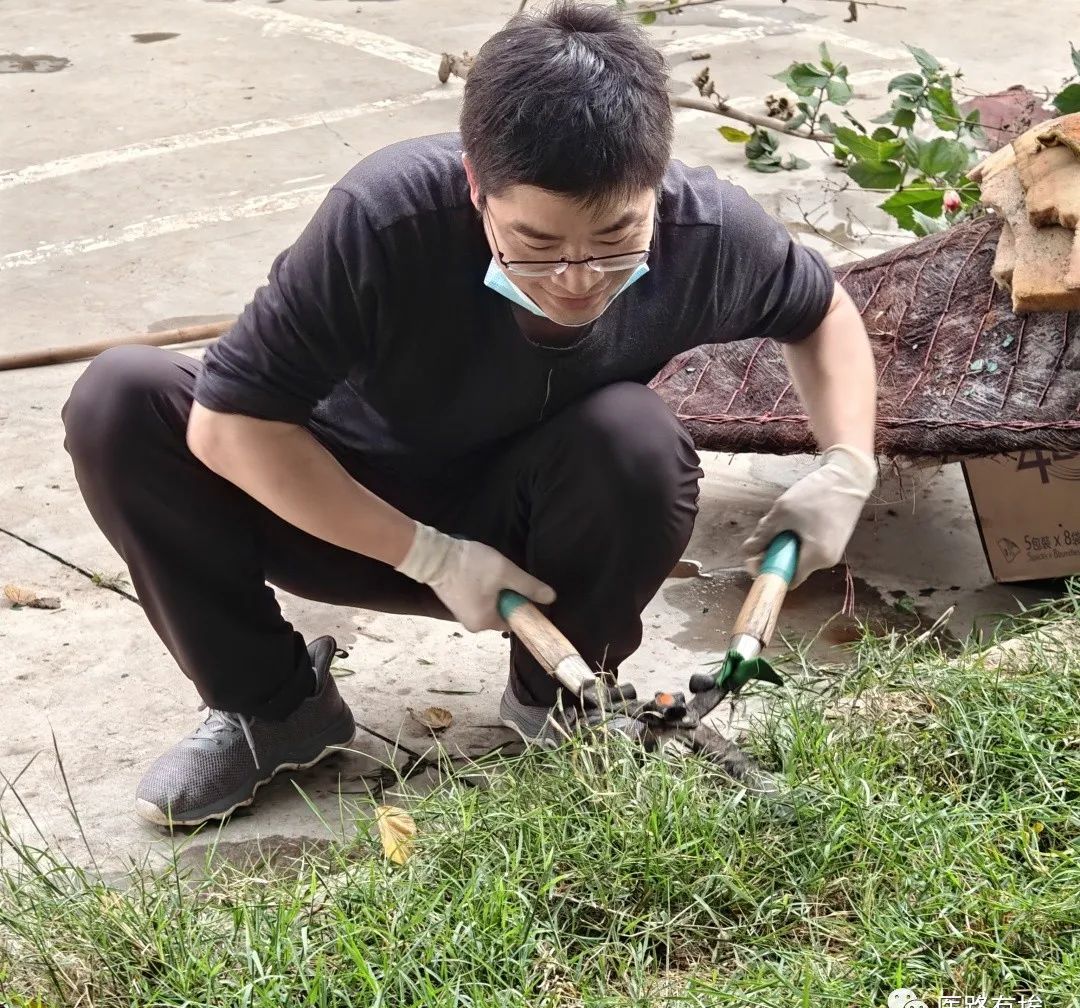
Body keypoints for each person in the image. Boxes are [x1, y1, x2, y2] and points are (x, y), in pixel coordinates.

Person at [61, 1, 877, 827]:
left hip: (539, 539)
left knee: (639, 442)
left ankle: (558, 707)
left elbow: (821, 312)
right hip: (342, 509)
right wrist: (429, 555)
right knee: (119, 400)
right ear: (474, 186)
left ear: (656, 188)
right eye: (534, 242)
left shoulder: (703, 234)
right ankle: (271, 706)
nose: (577, 276)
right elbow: (227, 425)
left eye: (614, 235)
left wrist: (848, 464)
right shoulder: (384, 220)